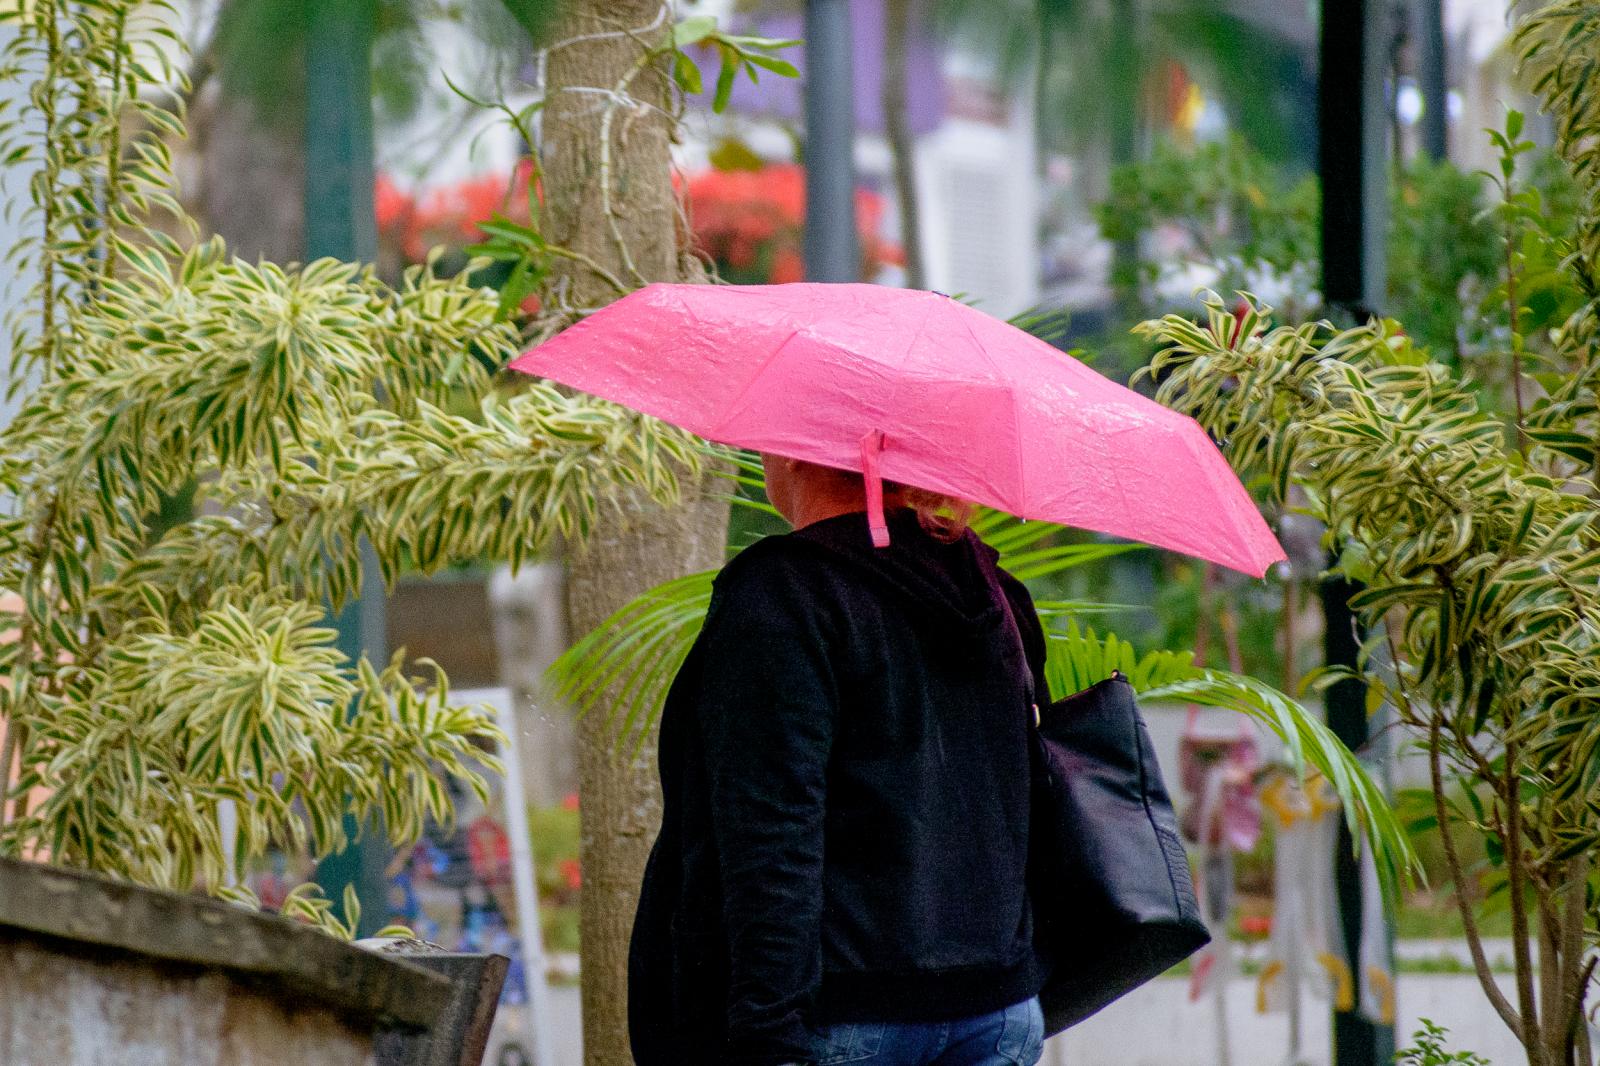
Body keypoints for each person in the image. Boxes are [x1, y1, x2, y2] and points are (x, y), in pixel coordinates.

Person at [629, 453, 1051, 1066]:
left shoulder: (785, 596)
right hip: (997, 1010)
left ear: (798, 453)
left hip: (840, 1017)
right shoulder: (993, 593)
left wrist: (768, 1036)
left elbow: (772, 833)